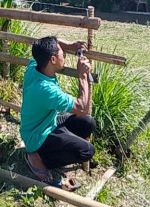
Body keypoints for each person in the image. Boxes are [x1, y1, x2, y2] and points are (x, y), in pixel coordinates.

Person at [20, 36, 95, 188]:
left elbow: (51, 41)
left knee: (88, 123)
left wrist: (71, 44)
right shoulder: (46, 90)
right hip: (38, 136)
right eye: (63, 54)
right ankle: (38, 157)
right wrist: (82, 75)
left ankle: (62, 145)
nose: (65, 56)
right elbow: (82, 108)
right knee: (87, 151)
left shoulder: (35, 65)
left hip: (48, 122)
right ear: (53, 59)